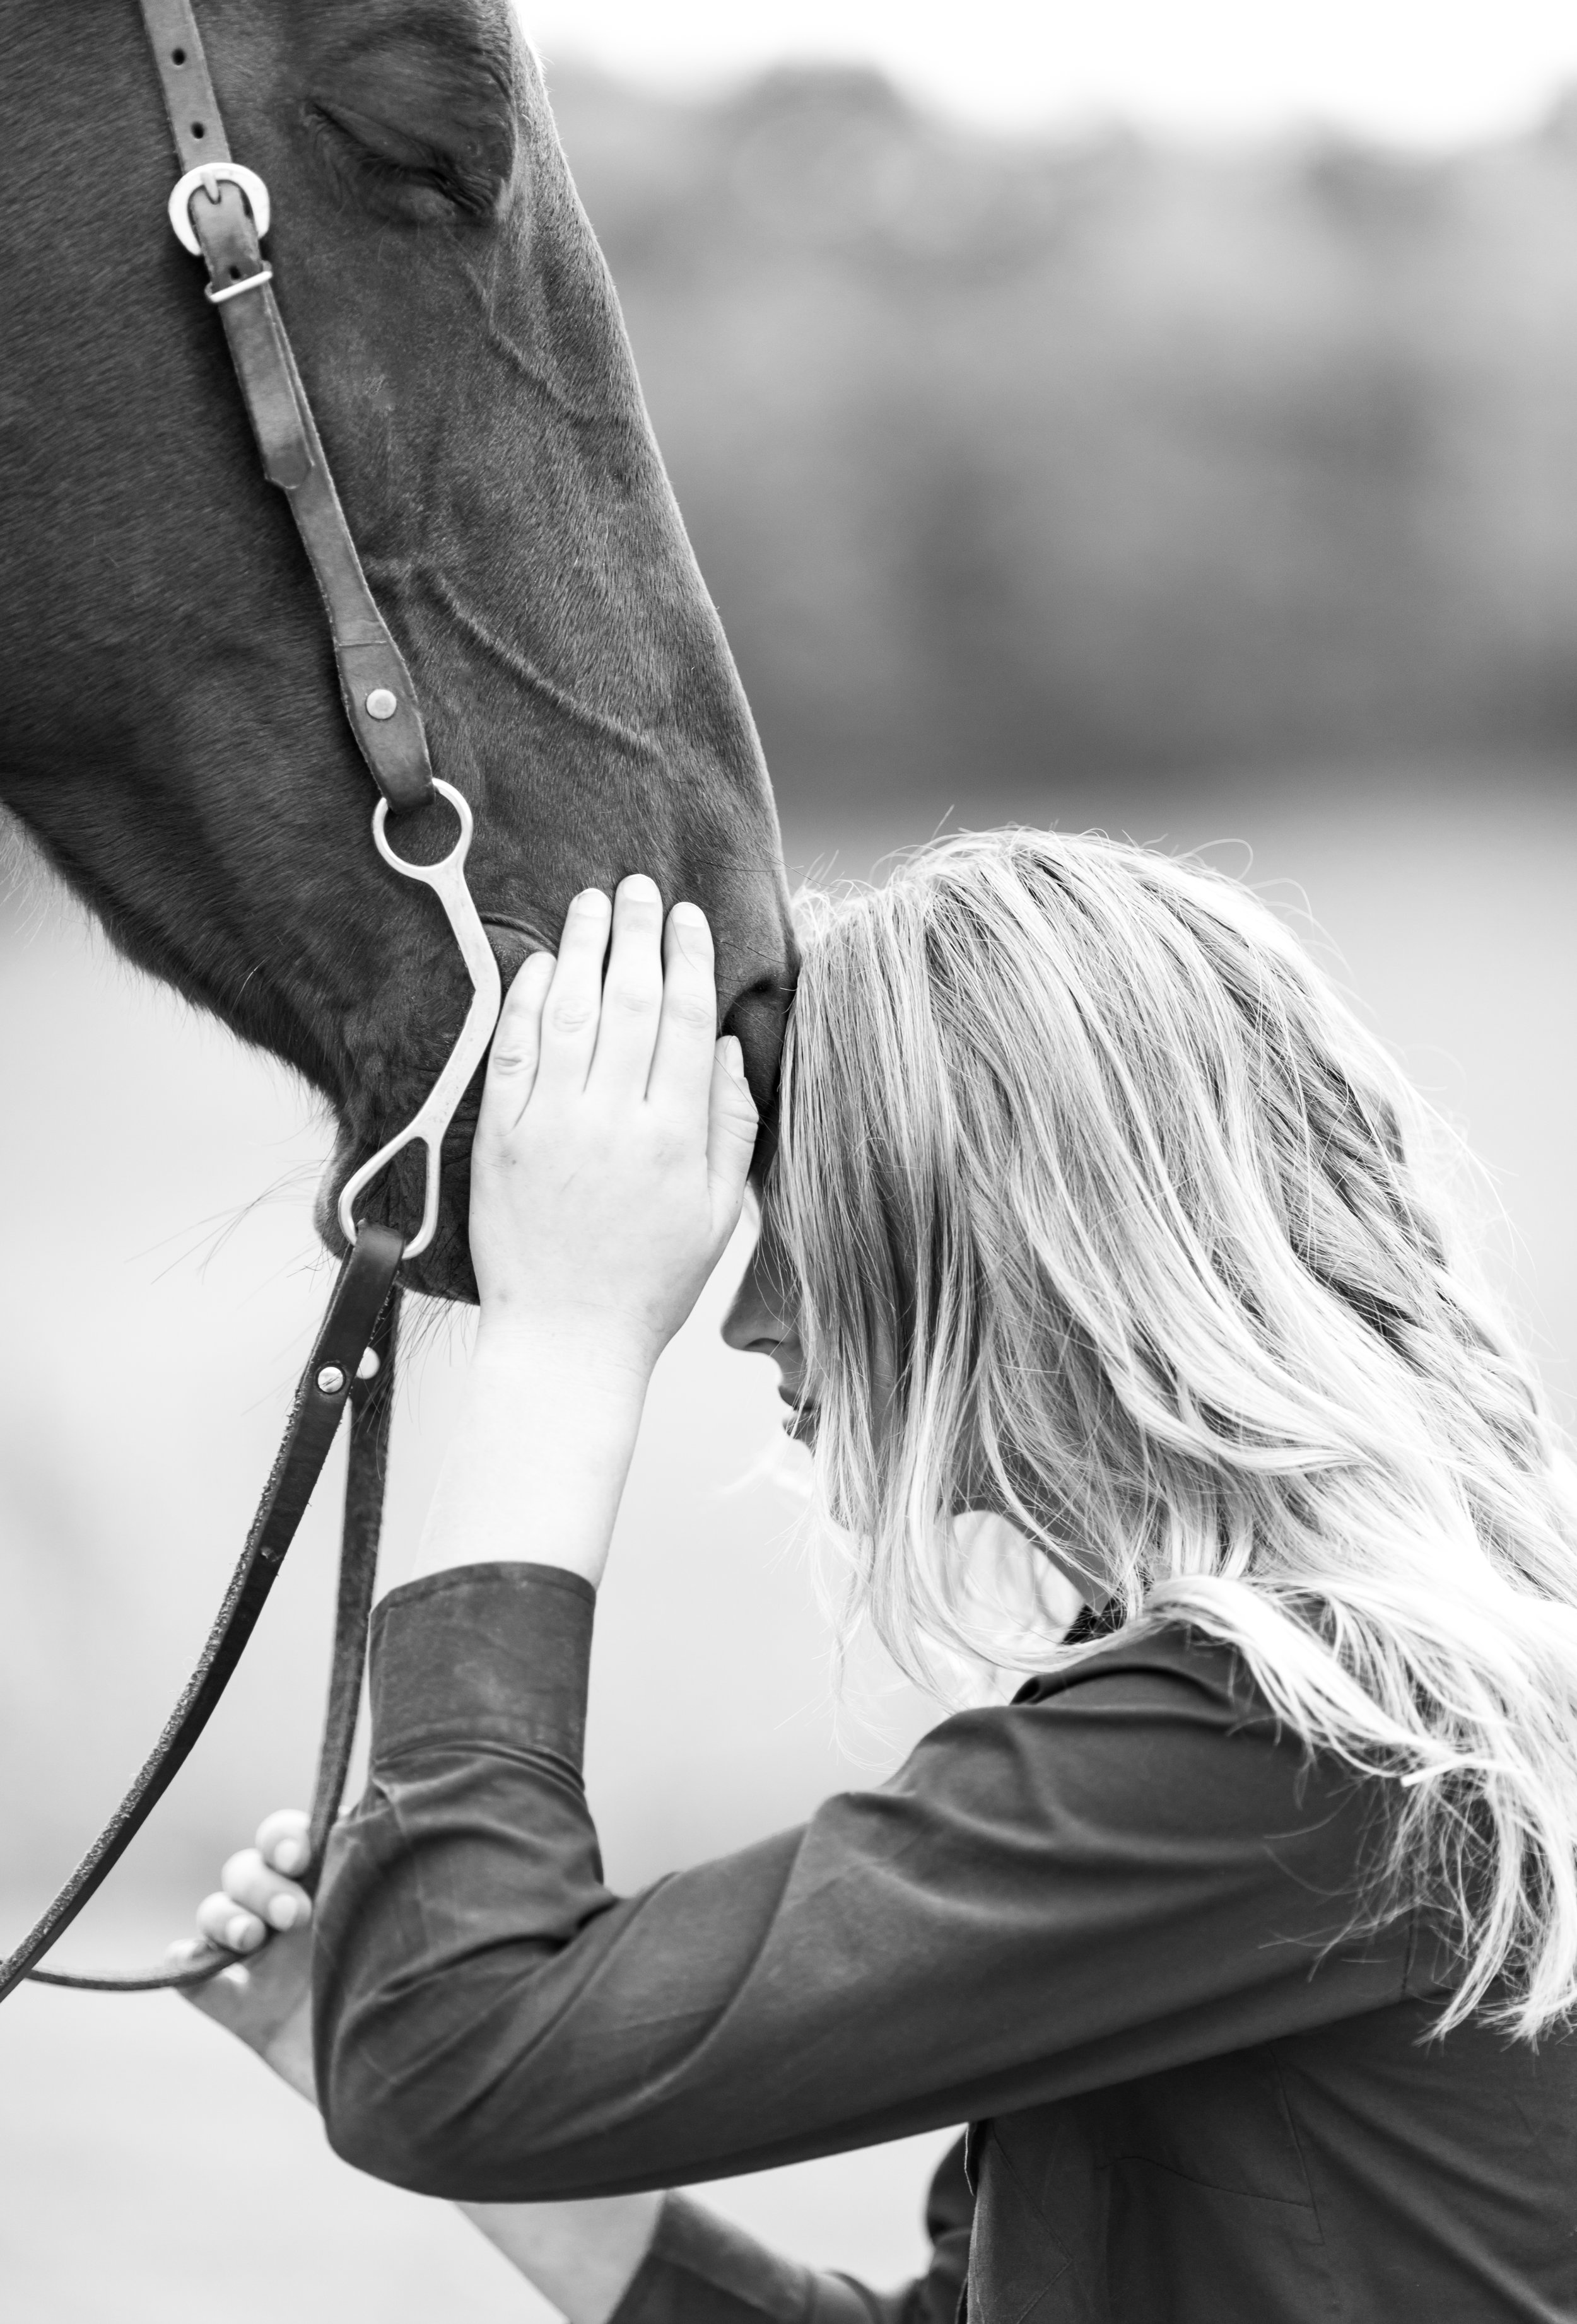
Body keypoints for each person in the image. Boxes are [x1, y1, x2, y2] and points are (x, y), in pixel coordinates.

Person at [177, 834, 1577, 2323]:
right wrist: (399, 2029)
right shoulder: (1326, 1731)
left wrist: (564, 1329)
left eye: (806, 1223)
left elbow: (459, 2064)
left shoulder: (1289, 1748)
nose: (748, 1320)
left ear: (1005, 1248)